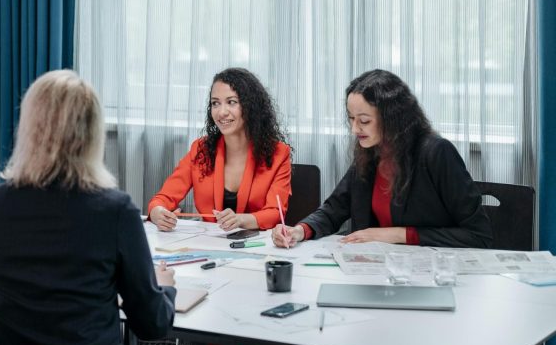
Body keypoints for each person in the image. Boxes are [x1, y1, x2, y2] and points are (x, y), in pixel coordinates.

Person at [0, 70, 177, 345]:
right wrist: (164, 288)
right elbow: (152, 324)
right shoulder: (115, 211)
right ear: (92, 135)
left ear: (27, 128)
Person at [272, 69, 492, 249]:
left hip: (432, 272)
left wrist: (397, 234)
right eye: (351, 119)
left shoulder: (436, 152)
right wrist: (299, 230)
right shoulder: (370, 151)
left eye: (364, 121)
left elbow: (478, 235)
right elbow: (334, 209)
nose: (354, 129)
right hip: (377, 267)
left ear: (392, 119)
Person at [148, 68, 292, 233]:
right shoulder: (200, 149)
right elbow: (163, 198)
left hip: (257, 243)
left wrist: (240, 219)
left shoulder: (279, 154)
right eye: (215, 103)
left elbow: (275, 213)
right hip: (209, 242)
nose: (221, 112)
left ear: (251, 106)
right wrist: (158, 212)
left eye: (231, 102)